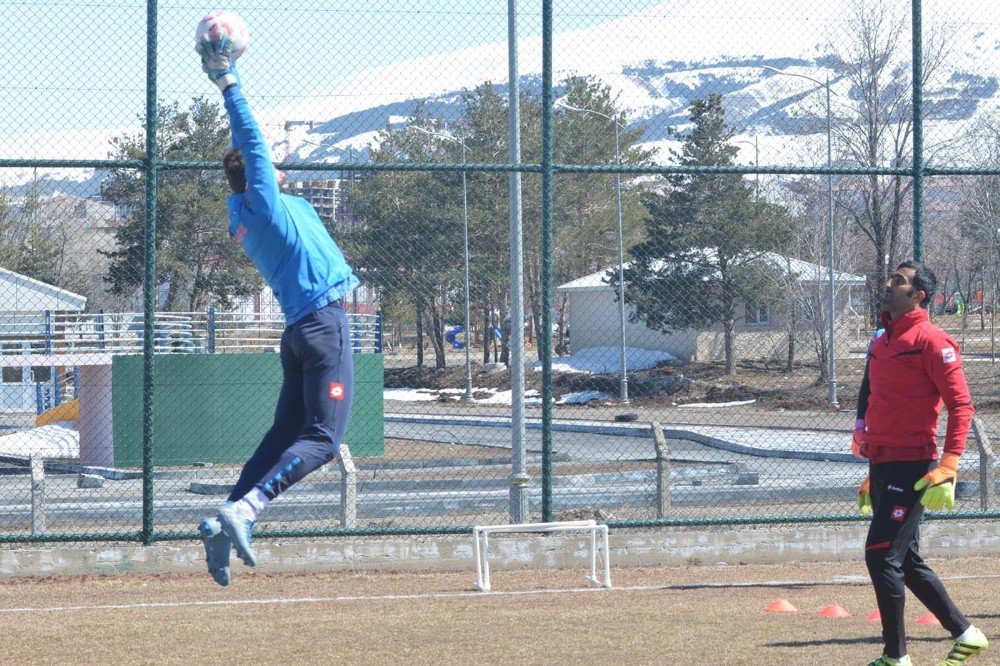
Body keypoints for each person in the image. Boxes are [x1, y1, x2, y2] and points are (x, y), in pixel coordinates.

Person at [195, 30, 359, 586]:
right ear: (257, 174)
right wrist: (228, 82)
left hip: (298, 332)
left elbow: (257, 159)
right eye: (266, 164)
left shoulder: (246, 212)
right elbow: (252, 143)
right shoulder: (265, 204)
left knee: (279, 434)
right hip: (323, 325)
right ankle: (246, 509)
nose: (277, 165)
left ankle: (224, 521)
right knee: (322, 440)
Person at [854, 261, 988, 666]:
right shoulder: (881, 340)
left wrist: (949, 464)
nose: (889, 283)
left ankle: (896, 657)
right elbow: (872, 393)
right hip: (883, 465)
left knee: (881, 555)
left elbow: (961, 405)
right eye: (891, 277)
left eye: (900, 281)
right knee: (904, 560)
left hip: (914, 466)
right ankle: (967, 633)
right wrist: (867, 448)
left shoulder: (933, 340)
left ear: (918, 296)